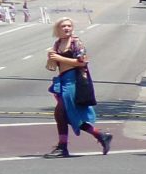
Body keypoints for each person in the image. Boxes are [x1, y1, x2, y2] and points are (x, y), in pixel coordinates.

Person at [43, 17, 114, 158]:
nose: (67, 28)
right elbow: (52, 66)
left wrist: (59, 58)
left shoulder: (76, 43)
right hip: (62, 80)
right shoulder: (57, 44)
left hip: (74, 81)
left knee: (63, 112)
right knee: (64, 115)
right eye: (63, 26)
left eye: (69, 25)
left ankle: (63, 147)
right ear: (58, 29)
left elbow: (82, 62)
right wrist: (51, 58)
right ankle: (100, 135)